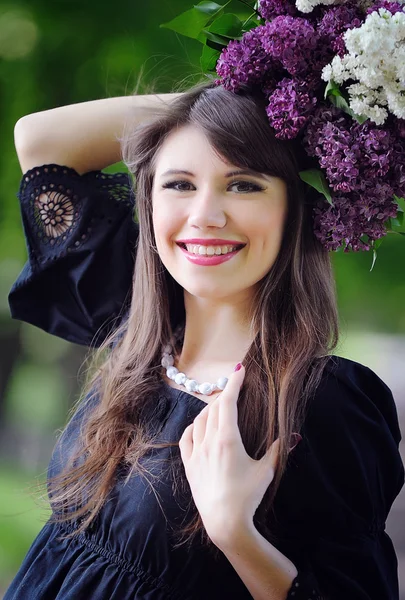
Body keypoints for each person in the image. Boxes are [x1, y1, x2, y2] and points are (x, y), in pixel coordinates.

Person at [5, 81, 404, 599]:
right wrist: (233, 93)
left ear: (295, 209)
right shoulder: (138, 323)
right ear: (148, 202)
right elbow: (39, 141)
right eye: (179, 184)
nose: (205, 215)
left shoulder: (323, 403)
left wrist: (237, 535)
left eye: (244, 185)